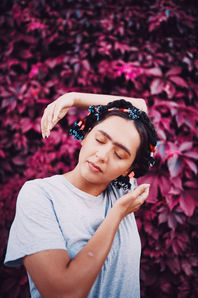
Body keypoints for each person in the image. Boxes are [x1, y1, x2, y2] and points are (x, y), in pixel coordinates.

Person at [4, 92, 157, 298]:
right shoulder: (40, 195)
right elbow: (62, 292)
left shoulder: (122, 189)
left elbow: (139, 107)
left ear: (129, 169)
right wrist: (117, 214)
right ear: (85, 135)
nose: (102, 155)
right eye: (100, 140)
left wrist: (74, 98)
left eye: (119, 155)